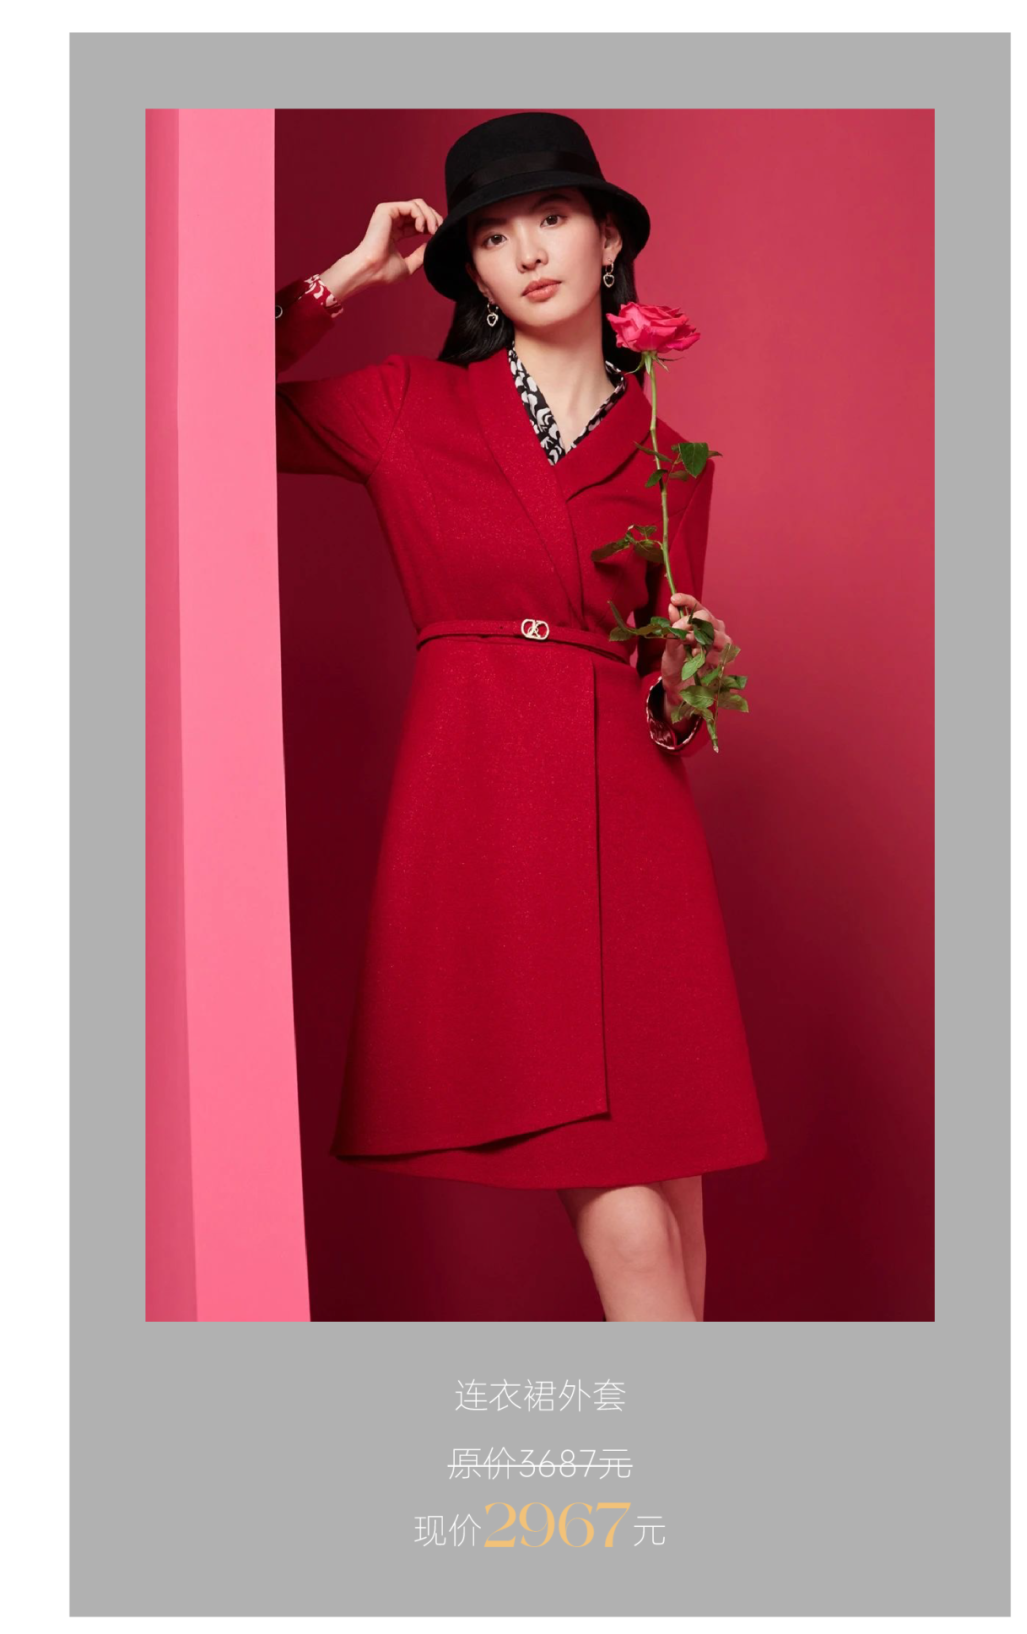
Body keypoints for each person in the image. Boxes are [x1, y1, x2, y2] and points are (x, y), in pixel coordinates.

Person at [276, 112, 768, 1322]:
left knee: (684, 1224)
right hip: (490, 815)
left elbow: (666, 699)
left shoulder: (672, 457)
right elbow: (190, 403)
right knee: (636, 1236)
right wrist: (347, 277)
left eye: (552, 218)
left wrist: (687, 668)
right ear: (471, 273)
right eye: (493, 236)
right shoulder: (406, 405)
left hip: (637, 840)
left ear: (610, 240)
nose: (529, 253)